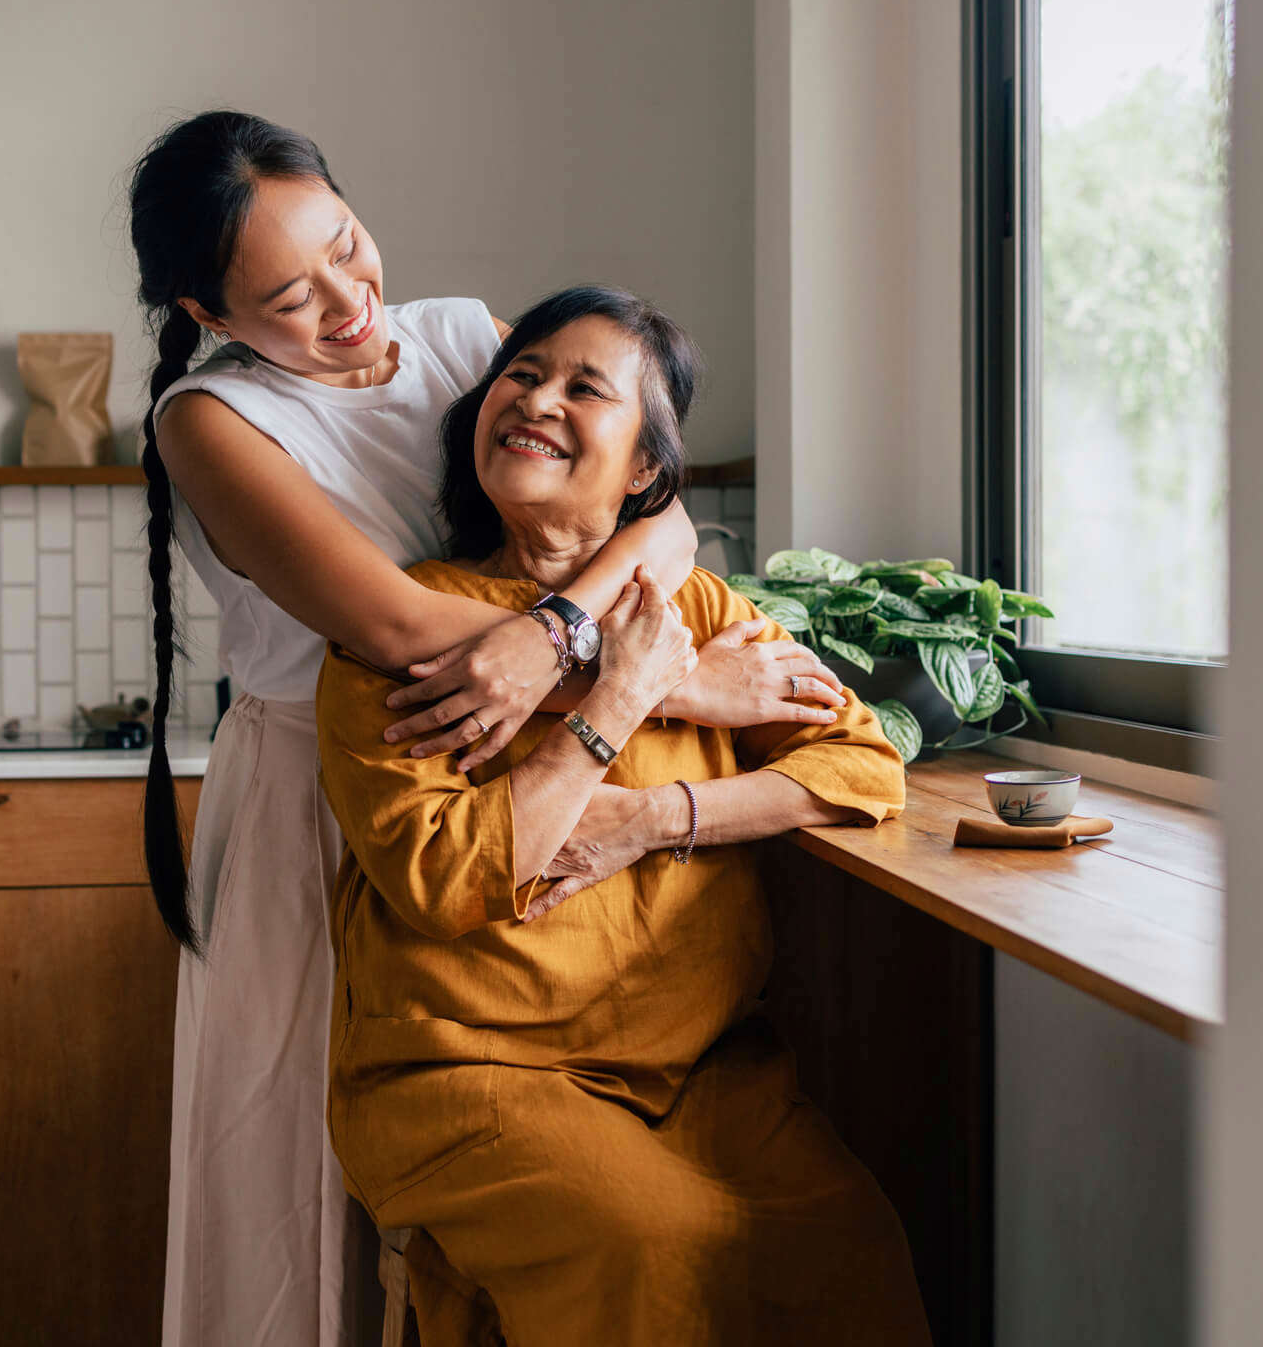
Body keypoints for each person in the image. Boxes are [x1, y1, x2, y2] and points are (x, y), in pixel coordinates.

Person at [127, 113, 851, 1346]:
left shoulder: (465, 336)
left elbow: (657, 511)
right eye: (290, 297)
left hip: (517, 771)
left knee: (532, 1227)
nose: (351, 304)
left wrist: (553, 634)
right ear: (207, 311)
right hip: (330, 796)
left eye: (349, 247)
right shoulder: (209, 421)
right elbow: (407, 631)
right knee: (296, 1204)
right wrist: (667, 686)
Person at [316, 285, 933, 1345]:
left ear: (644, 468)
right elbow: (444, 876)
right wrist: (612, 702)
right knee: (648, 1247)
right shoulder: (402, 628)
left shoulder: (695, 610)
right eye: (523, 372)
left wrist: (654, 815)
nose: (536, 398)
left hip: (699, 1072)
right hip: (465, 1071)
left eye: (583, 386)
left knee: (850, 1240)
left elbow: (863, 762)